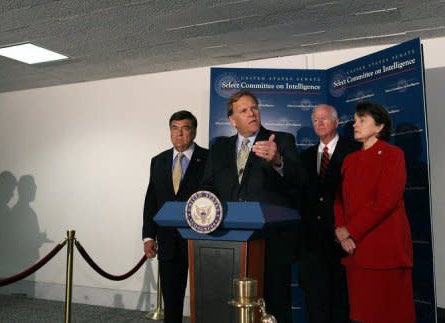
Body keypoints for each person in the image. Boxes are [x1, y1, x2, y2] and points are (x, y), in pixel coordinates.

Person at [202, 91, 304, 323]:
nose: (252, 113)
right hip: (230, 242)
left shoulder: (281, 140)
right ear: (232, 120)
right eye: (244, 110)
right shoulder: (219, 148)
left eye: (254, 108)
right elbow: (206, 186)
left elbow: (300, 180)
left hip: (272, 243)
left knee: (274, 306)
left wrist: (278, 161)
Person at [334, 102, 415, 323]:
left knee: (391, 314)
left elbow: (387, 201)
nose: (355, 125)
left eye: (362, 120)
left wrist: (350, 230)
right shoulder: (350, 160)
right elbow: (339, 200)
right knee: (362, 314)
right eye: (355, 120)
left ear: (379, 127)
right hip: (355, 250)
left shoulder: (392, 154)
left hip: (385, 248)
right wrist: (341, 232)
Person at [142, 110, 208, 323]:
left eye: (185, 128)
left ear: (194, 132)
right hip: (168, 241)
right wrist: (148, 236)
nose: (179, 134)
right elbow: (151, 200)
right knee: (171, 302)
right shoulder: (158, 161)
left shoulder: (209, 159)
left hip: (201, 241)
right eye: (174, 128)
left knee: (206, 299)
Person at [299, 104, 358, 323]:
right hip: (312, 247)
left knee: (342, 305)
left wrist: (349, 230)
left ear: (336, 122)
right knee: (315, 307)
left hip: (342, 242)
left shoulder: (354, 151)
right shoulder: (304, 157)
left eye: (324, 119)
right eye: (315, 120)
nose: (319, 123)